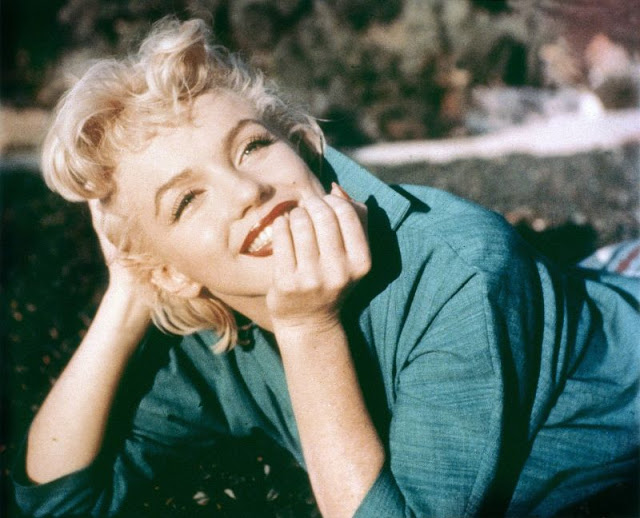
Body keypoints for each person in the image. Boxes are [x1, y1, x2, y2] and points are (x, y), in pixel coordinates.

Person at [12, 17, 639, 518]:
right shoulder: (216, 327)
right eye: (187, 199)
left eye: (252, 146)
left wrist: (310, 329)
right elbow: (57, 501)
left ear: (302, 148)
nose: (246, 191)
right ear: (174, 273)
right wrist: (128, 295)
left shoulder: (459, 271)